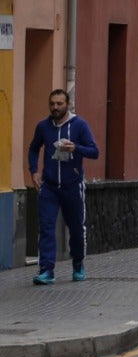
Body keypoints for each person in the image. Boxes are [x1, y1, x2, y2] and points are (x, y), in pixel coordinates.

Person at [27, 89, 100, 285]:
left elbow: (95, 152)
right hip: (49, 186)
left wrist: (75, 148)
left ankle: (78, 264)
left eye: (59, 104)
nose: (55, 107)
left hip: (72, 186)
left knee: (76, 228)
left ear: (68, 104)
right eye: (52, 104)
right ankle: (46, 270)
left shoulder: (79, 125)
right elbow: (34, 148)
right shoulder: (43, 126)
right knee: (46, 227)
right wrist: (34, 171)